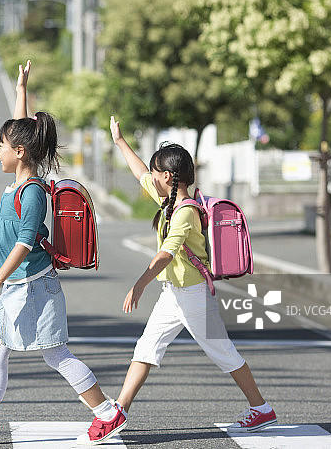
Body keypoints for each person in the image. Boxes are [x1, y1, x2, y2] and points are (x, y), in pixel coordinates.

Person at [0, 61, 126, 446]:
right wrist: (21, 90)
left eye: (2, 147)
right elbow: (19, 129)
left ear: (20, 152)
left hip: (32, 287)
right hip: (19, 286)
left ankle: (108, 413)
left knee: (55, 354)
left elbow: (25, 242)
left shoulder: (33, 193)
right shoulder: (20, 181)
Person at [108, 115, 277, 433]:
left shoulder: (185, 211)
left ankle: (262, 408)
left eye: (156, 172)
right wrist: (119, 141)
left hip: (194, 296)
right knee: (146, 349)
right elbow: (140, 173)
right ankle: (119, 410)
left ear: (167, 176)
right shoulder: (168, 200)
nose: (151, 176)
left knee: (223, 352)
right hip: (173, 294)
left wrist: (139, 285)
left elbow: (166, 253)